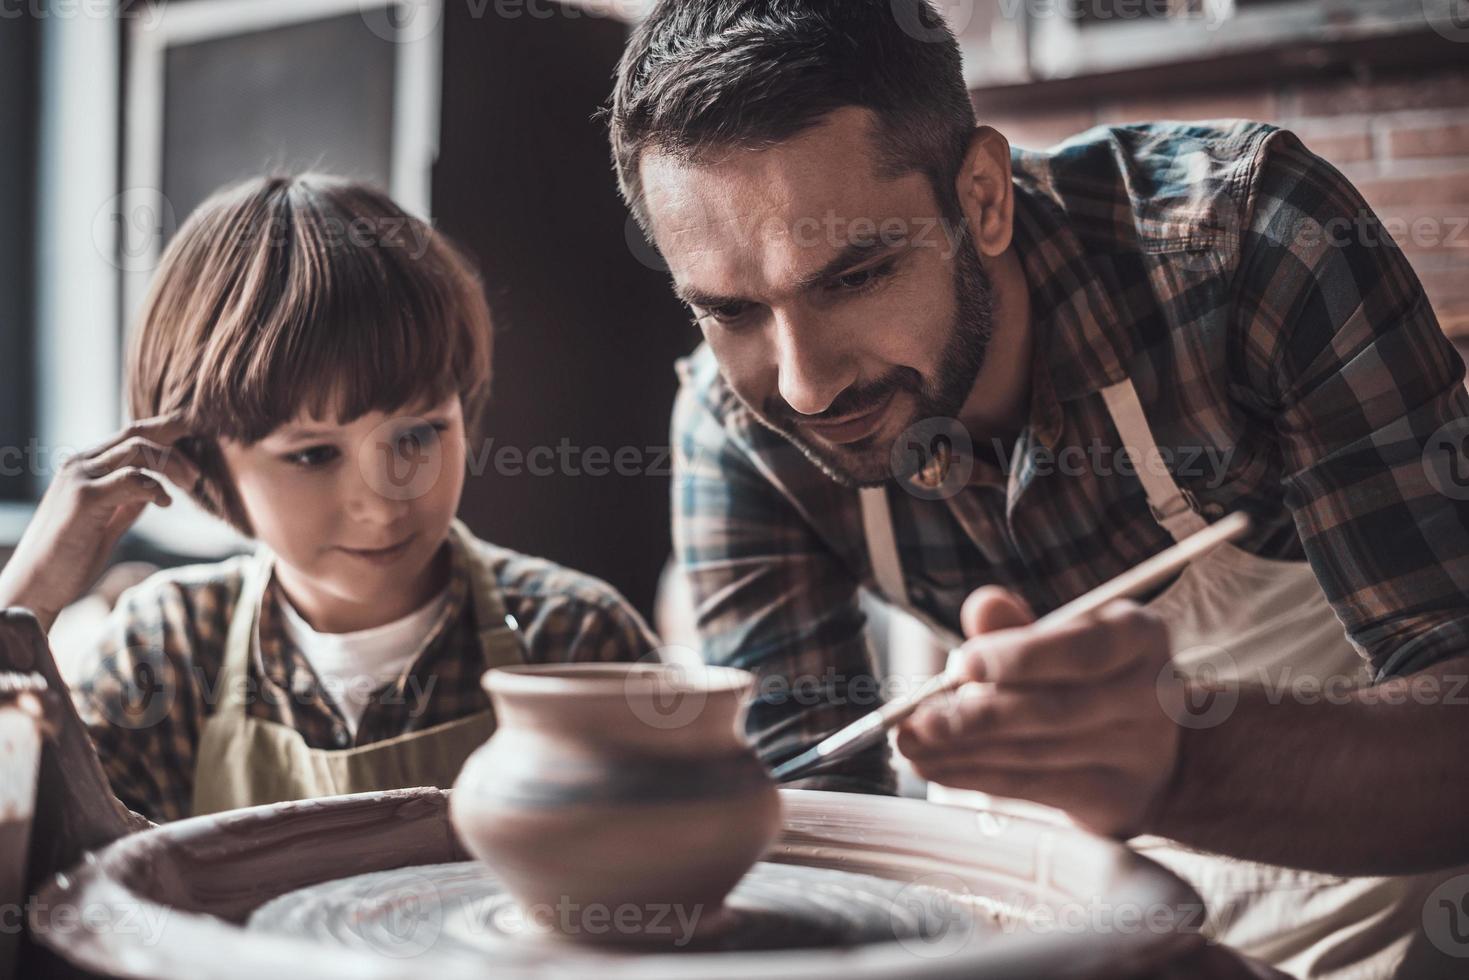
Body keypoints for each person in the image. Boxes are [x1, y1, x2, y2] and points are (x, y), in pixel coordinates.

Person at [607, 1, 1469, 976]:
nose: (804, 383)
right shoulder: (737, 431)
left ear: (980, 196)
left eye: (853, 278)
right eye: (730, 310)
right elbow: (810, 840)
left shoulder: (1250, 246)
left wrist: (1180, 761)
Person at [0, 175, 659, 825]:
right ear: (200, 459)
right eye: (313, 455)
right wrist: (26, 598)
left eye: (418, 434)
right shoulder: (166, 651)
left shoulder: (577, 638)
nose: (381, 503)